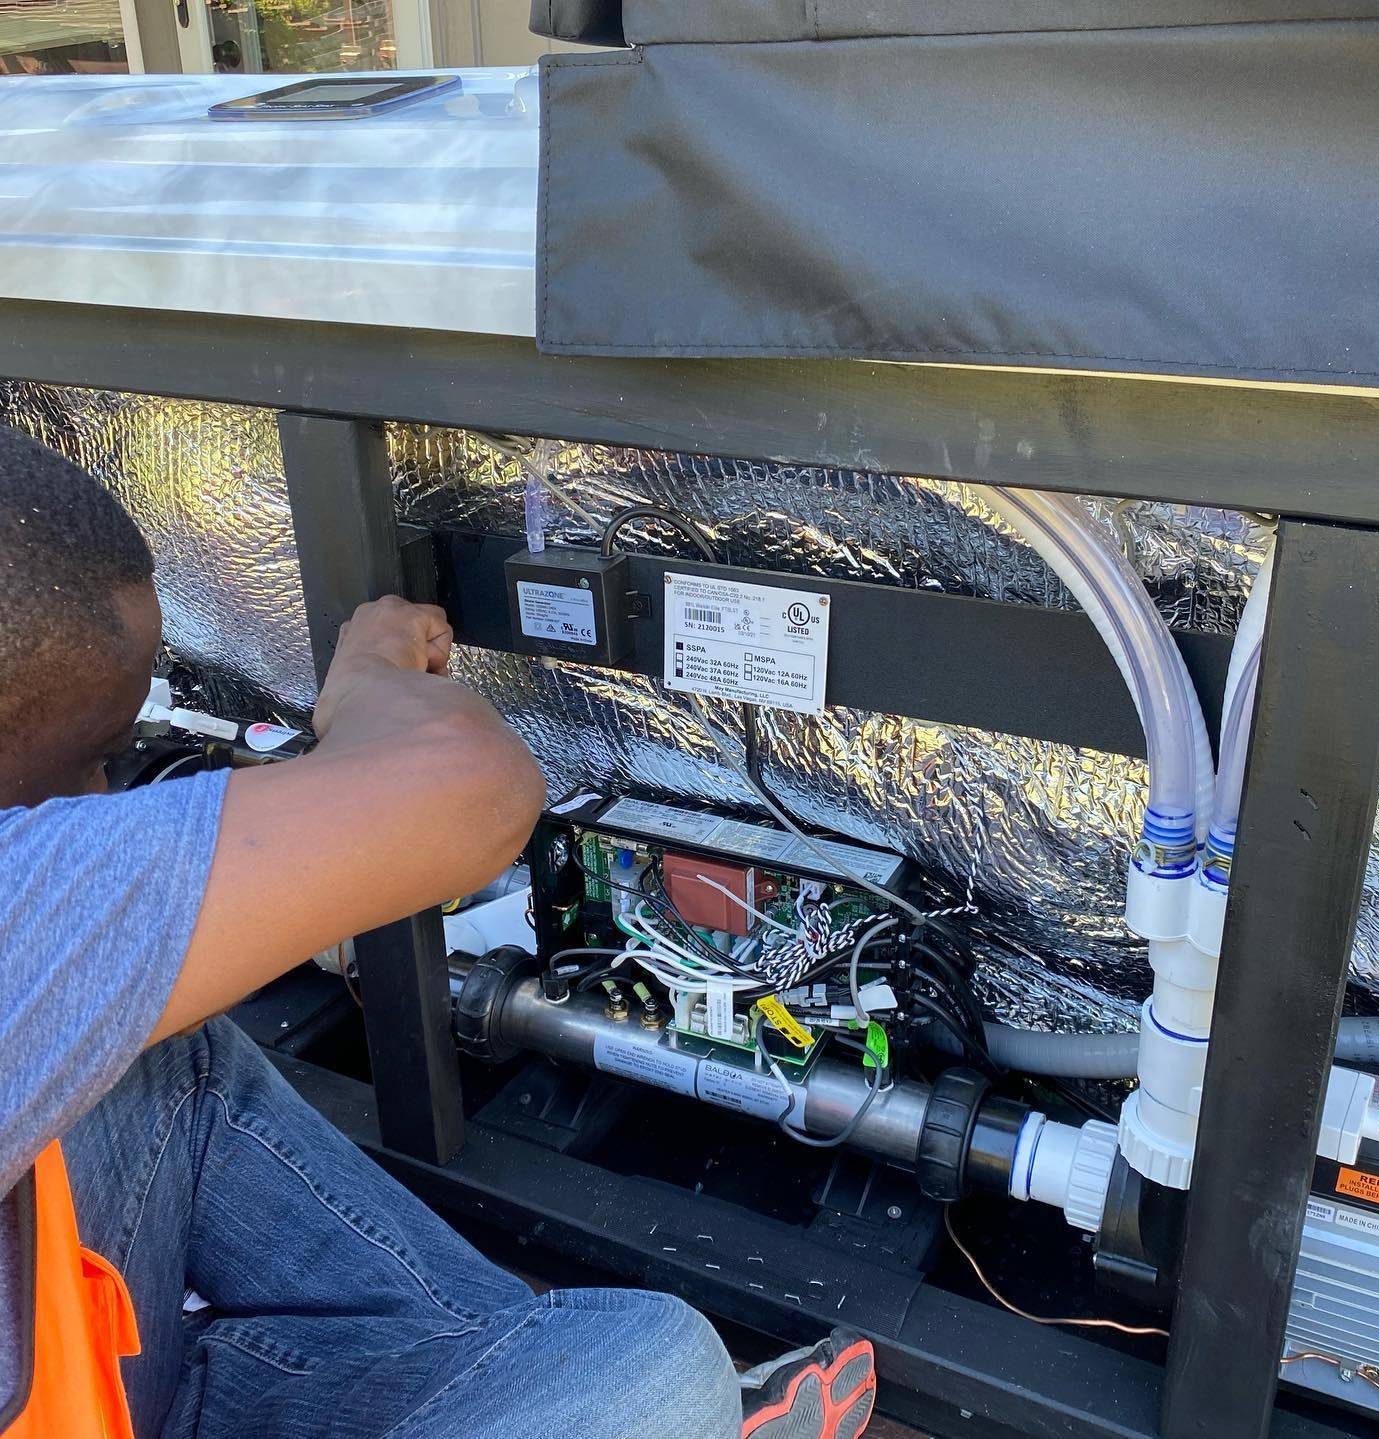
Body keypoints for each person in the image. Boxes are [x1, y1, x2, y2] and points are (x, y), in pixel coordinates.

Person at [0, 426, 877, 1439]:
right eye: (95, 754)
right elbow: (473, 791)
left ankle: (522, 1371)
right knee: (661, 1370)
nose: (107, 794)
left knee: (161, 1050)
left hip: (119, 1387)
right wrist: (369, 678)